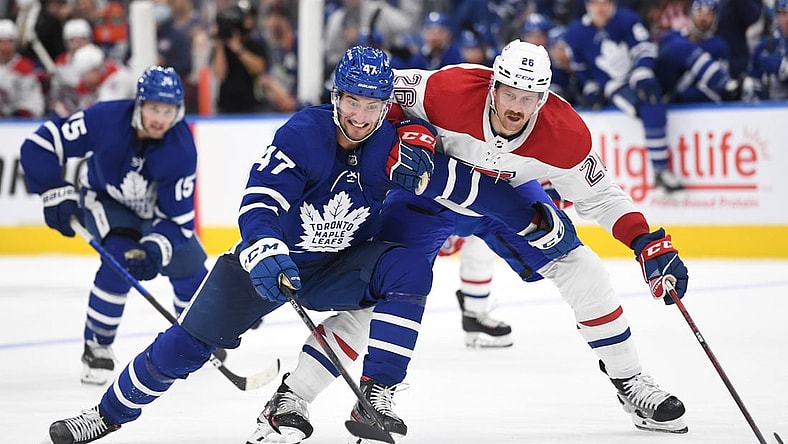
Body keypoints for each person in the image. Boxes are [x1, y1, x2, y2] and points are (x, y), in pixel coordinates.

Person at [257, 39, 692, 441]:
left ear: (544, 98)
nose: (516, 107)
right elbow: (379, 99)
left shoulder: (565, 134)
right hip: (430, 195)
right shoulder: (448, 88)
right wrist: (410, 132)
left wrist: (645, 241)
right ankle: (293, 396)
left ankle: (631, 383)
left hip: (508, 204)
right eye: (509, 93)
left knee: (583, 270)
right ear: (492, 85)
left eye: (529, 98)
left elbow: (601, 197)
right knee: (376, 297)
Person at [45, 46, 439, 444]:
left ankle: (371, 393)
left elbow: (462, 143)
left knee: (409, 270)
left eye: (373, 105)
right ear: (336, 95)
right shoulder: (303, 134)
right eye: (352, 100)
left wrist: (425, 144)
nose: (359, 116)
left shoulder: (394, 143)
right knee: (187, 346)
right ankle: (105, 413)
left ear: (387, 106)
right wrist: (265, 244)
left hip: (339, 264)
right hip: (273, 259)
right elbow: (261, 200)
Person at [20, 66, 208, 386]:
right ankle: (98, 345)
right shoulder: (104, 119)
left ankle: (197, 337)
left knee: (191, 267)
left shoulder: (181, 150)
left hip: (156, 215)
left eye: (168, 110)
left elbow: (177, 222)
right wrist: (54, 189)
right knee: (119, 258)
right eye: (153, 108)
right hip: (106, 201)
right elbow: (41, 144)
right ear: (139, 103)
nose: (159, 118)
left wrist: (154, 249)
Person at [564, 0, 685, 194]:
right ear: (588, 5)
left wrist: (643, 69)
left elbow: (644, 46)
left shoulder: (628, 19)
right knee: (648, 106)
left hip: (639, 75)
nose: (601, 8)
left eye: (605, 3)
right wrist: (590, 86)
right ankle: (661, 170)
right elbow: (580, 68)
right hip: (615, 86)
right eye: (596, 3)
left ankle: (661, 171)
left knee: (655, 93)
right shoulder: (575, 33)